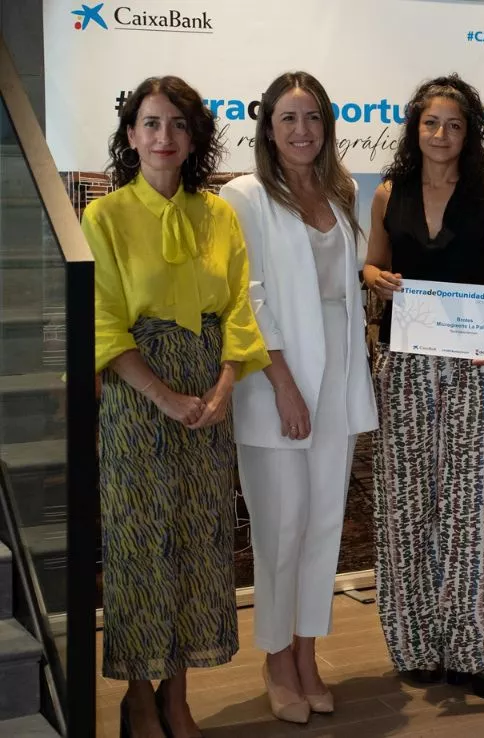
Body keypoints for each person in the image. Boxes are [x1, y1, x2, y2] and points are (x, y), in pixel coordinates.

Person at [87, 76, 270, 738]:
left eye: (178, 126)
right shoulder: (103, 217)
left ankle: (179, 692)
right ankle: (138, 695)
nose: (164, 138)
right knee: (142, 546)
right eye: (151, 124)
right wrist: (167, 397)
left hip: (209, 403)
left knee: (198, 544)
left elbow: (241, 313)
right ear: (131, 135)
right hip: (139, 402)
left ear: (194, 138)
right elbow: (103, 324)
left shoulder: (218, 213)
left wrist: (222, 389)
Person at [220, 72, 378, 724]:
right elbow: (247, 299)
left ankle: (308, 653)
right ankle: (276, 660)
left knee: (321, 528)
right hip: (273, 379)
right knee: (279, 528)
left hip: (337, 375)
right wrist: (283, 385)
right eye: (288, 118)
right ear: (268, 127)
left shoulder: (340, 195)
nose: (302, 130)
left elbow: (341, 286)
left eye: (312, 117)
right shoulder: (245, 197)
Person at [363, 74, 484, 700]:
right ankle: (416, 644)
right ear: (414, 128)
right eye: (431, 123)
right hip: (402, 365)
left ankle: (472, 649)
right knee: (407, 505)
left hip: (471, 365)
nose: (442, 135)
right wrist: (374, 277)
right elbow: (372, 262)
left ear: (469, 131)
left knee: (471, 506)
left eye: (454, 125)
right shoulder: (387, 193)